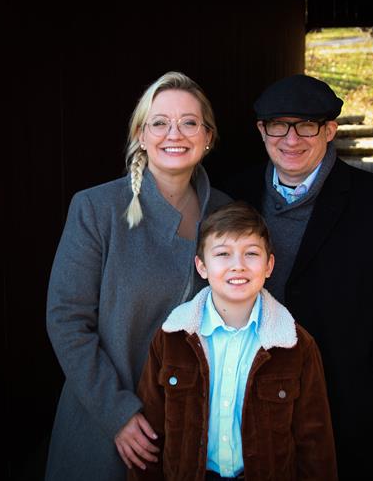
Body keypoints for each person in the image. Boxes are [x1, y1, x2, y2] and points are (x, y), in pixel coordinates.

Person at [216, 74, 373, 481]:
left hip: (345, 415)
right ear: (261, 130)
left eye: (307, 125)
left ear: (330, 130)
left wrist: (372, 398)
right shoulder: (233, 196)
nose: (291, 139)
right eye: (279, 125)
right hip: (247, 410)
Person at [44, 71, 232, 481]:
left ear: (208, 136)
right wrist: (117, 413)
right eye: (159, 122)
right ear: (141, 136)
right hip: (106, 425)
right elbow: (66, 320)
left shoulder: (227, 214)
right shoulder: (97, 209)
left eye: (189, 122)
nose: (174, 134)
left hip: (194, 430)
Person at [128, 200, 338, 481]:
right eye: (223, 254)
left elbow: (315, 445)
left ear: (269, 265)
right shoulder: (173, 338)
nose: (238, 266)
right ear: (202, 266)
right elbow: (151, 435)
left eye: (251, 253)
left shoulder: (296, 345)